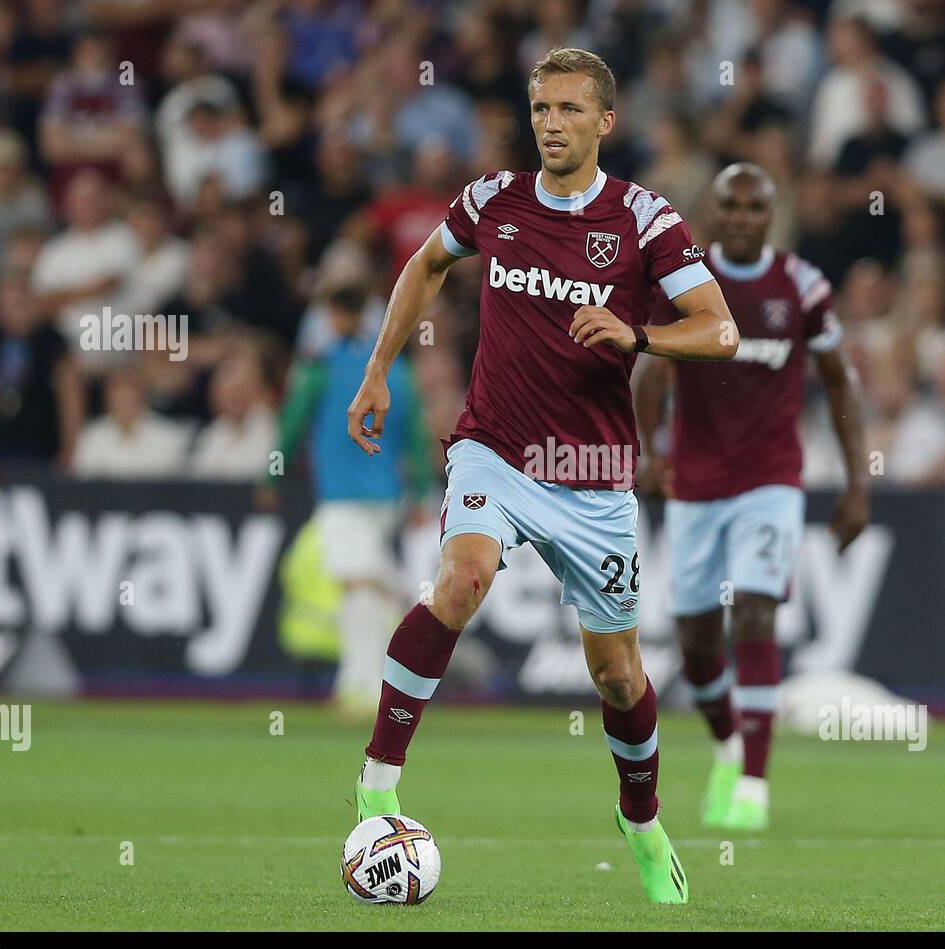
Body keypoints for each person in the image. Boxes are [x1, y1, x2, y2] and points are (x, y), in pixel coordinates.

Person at [345, 48, 738, 904]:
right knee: (462, 577)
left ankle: (640, 820)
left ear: (605, 121)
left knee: (619, 676)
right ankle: (377, 781)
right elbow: (425, 265)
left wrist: (641, 334)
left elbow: (719, 331)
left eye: (568, 109)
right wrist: (378, 370)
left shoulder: (644, 219)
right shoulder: (494, 200)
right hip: (495, 445)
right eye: (540, 109)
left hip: (593, 474)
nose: (551, 125)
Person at [636, 163, 870, 830]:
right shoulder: (684, 281)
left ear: (773, 215)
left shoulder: (801, 286)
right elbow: (649, 371)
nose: (740, 216)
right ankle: (728, 745)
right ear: (711, 213)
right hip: (695, 486)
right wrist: (650, 452)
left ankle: (756, 786)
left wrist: (858, 483)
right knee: (696, 641)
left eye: (754, 206)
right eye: (729, 206)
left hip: (770, 480)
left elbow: (841, 383)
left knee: (757, 616)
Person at [270, 285, 432, 717]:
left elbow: (292, 422)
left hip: (341, 495)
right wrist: (418, 489)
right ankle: (373, 674)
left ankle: (362, 689)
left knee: (357, 586)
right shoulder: (396, 370)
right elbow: (415, 433)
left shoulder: (319, 368)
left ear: (336, 315)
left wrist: (271, 471)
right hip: (385, 496)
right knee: (365, 587)